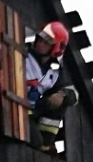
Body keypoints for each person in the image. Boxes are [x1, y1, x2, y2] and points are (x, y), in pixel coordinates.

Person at [25, 21, 78, 153]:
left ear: (56, 48)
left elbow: (74, 95)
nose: (41, 43)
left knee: (60, 101)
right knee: (35, 142)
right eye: (41, 38)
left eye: (47, 41)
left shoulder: (53, 74)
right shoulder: (24, 54)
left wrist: (61, 94)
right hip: (18, 106)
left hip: (33, 110)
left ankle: (46, 143)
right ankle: (40, 144)